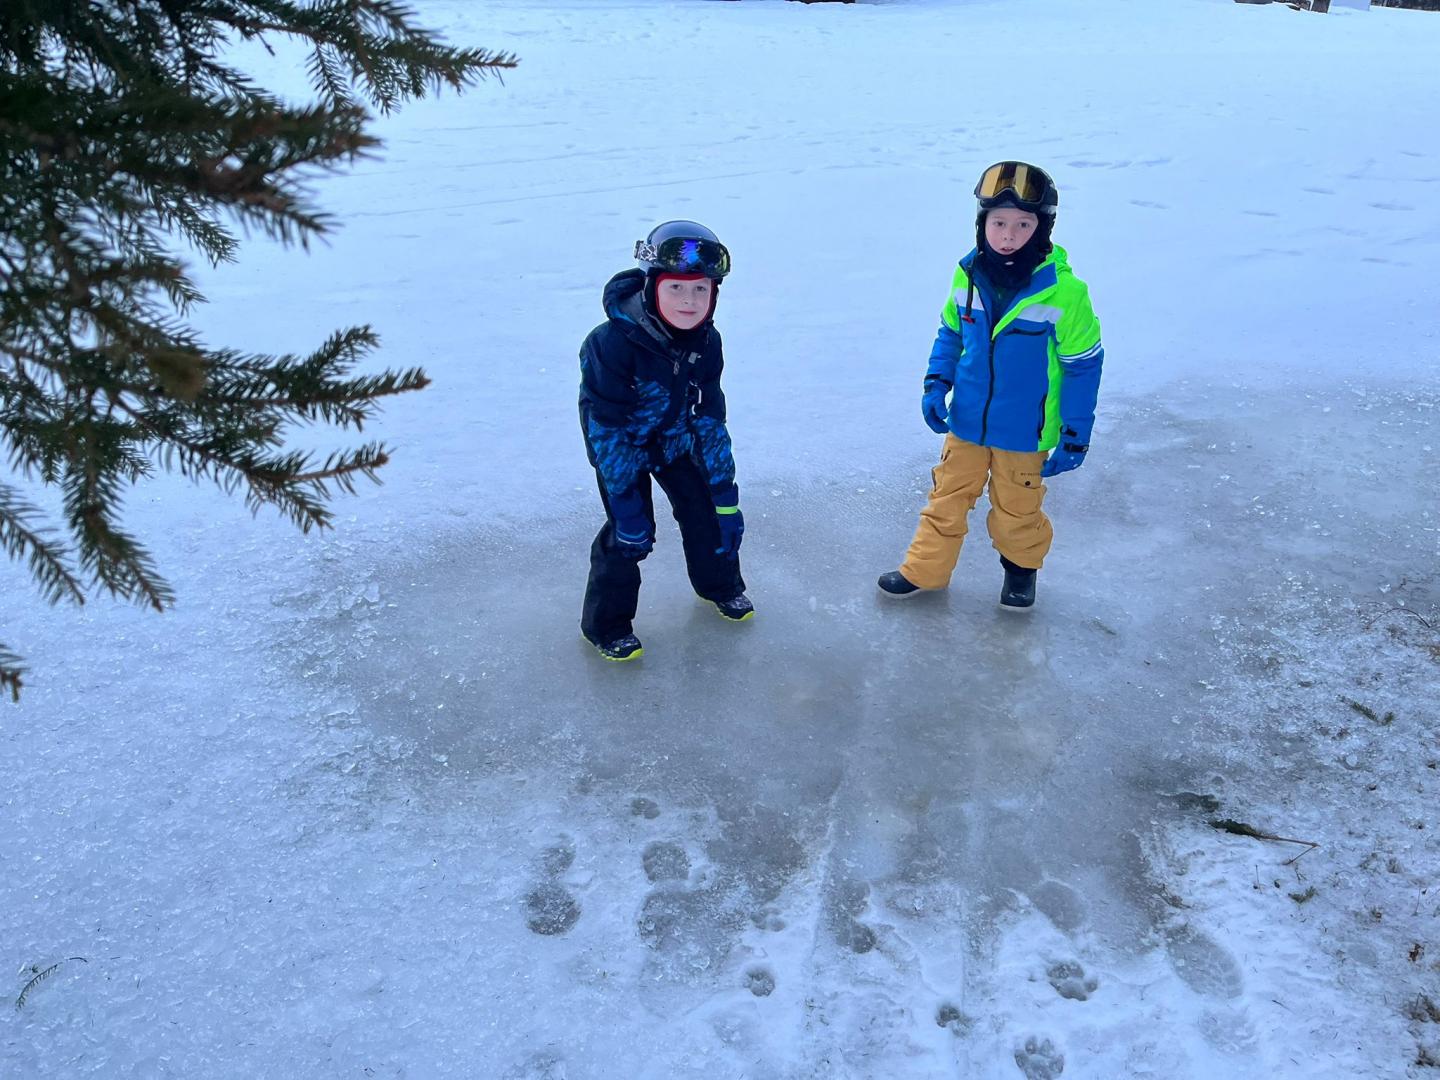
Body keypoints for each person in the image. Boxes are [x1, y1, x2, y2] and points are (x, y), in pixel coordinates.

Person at [878, 161, 1104, 611]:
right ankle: (924, 571)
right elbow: (950, 333)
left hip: (1026, 432)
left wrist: (1075, 434)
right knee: (946, 497)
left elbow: (1083, 366)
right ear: (982, 224)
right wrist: (935, 383)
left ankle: (1021, 574)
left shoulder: (1065, 293)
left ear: (1042, 228)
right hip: (966, 421)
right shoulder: (967, 277)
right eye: (998, 223)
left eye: (1023, 224)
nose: (1008, 234)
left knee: (1018, 509)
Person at [577, 220, 752, 661]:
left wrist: (726, 497)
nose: (689, 301)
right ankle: (606, 625)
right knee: (629, 537)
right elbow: (606, 427)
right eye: (676, 288)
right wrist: (625, 505)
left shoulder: (707, 342)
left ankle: (720, 586)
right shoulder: (609, 344)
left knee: (709, 515)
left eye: (700, 290)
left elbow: (710, 417)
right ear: (652, 286)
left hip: (675, 440)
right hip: (623, 447)